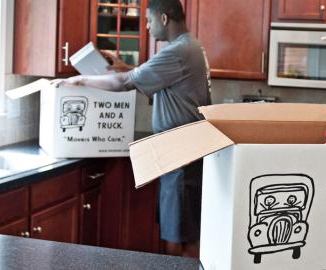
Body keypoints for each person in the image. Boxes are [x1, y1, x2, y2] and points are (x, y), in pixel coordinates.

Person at [56, 0, 211, 258]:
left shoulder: (178, 50)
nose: (147, 27)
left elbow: (124, 83)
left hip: (182, 156)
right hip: (183, 153)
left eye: (149, 21)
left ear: (163, 19)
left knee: (181, 240)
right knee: (182, 233)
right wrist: (127, 68)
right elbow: (143, 75)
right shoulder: (189, 46)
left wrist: (79, 79)